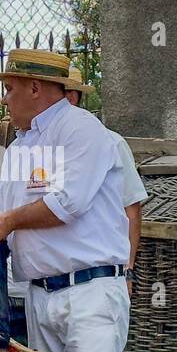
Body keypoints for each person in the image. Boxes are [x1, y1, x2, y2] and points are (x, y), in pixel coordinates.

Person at [0, 48, 133, 352]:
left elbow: (67, 204)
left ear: (35, 88)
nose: (5, 99)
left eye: (10, 89)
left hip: (90, 292)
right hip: (43, 294)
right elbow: (0, 215)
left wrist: (7, 222)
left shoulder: (81, 129)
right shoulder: (22, 146)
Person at [63, 67, 146, 291]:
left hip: (96, 280)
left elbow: (131, 207)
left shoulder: (111, 142)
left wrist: (128, 269)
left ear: (71, 98)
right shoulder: (41, 147)